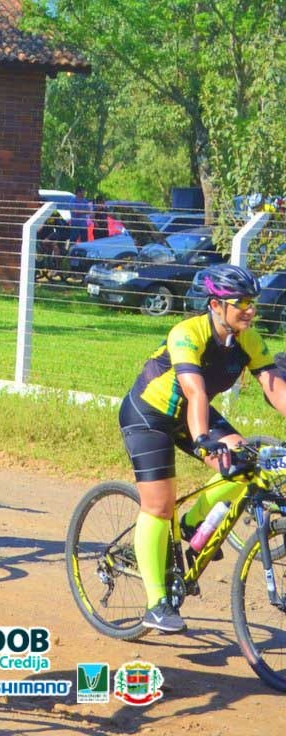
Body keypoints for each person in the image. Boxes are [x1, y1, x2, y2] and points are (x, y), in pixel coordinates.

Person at [120, 264, 286, 634]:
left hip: (193, 414)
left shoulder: (247, 338)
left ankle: (195, 523)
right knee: (159, 505)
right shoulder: (187, 333)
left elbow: (275, 388)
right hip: (150, 415)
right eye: (241, 302)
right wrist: (202, 440)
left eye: (252, 302)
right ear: (215, 305)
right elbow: (194, 391)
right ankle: (156, 604)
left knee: (247, 463)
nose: (250, 310)